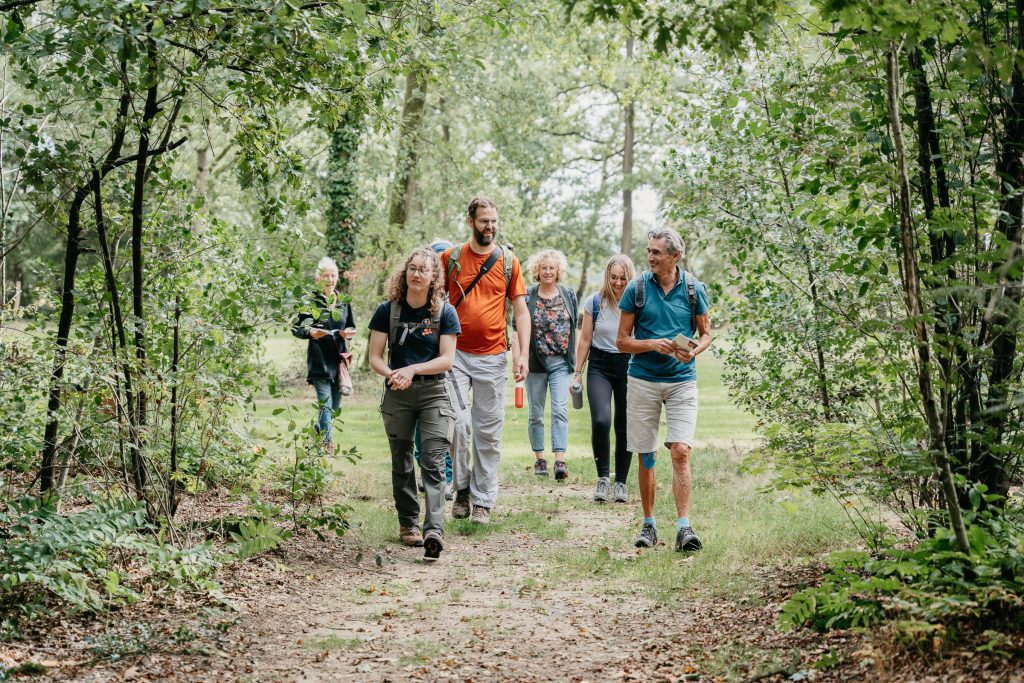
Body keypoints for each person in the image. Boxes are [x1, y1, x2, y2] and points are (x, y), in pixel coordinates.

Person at [616, 228, 711, 552]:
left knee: (681, 450)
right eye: (649, 251)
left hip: (682, 381)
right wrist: (651, 344)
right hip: (643, 380)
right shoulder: (637, 288)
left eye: (656, 252)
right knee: (647, 455)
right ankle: (649, 524)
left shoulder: (694, 289)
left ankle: (684, 528)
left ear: (675, 256)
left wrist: (694, 351)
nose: (650, 257)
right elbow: (622, 341)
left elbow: (706, 333)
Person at [441, 196, 530, 525]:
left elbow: (521, 311)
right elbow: (434, 300)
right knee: (459, 423)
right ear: (471, 222)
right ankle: (462, 487)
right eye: (483, 221)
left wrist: (522, 353)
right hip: (454, 355)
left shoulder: (508, 262)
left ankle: (483, 501)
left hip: (493, 357)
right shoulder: (450, 258)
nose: (490, 227)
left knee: (488, 432)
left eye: (493, 221)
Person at [368, 246, 461, 559]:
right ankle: (408, 523)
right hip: (398, 393)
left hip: (435, 392)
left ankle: (434, 529)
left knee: (433, 461)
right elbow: (375, 357)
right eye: (412, 268)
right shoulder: (387, 310)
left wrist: (413, 370)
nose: (417, 274)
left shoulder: (445, 312)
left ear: (434, 276)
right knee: (402, 459)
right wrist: (394, 374)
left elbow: (447, 359)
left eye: (424, 269)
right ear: (404, 272)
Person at [574, 254, 636, 502]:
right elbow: (585, 340)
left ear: (630, 278)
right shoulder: (595, 302)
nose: (618, 283)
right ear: (607, 277)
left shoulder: (637, 303)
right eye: (614, 277)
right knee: (601, 420)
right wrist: (577, 373)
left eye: (623, 278)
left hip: (628, 365)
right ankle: (602, 478)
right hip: (599, 365)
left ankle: (621, 482)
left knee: (624, 425)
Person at [522, 249, 577, 481]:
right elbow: (517, 328)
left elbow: (575, 328)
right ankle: (540, 459)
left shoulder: (568, 294)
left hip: (561, 363)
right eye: (543, 268)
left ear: (558, 270)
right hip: (535, 363)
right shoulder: (528, 295)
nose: (547, 272)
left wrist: (576, 365)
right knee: (535, 413)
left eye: (551, 268)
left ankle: (560, 461)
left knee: (560, 410)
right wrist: (520, 359)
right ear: (537, 270)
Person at [291, 257, 356, 450]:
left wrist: (349, 333)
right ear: (317, 279)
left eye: (333, 275)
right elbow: (296, 328)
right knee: (325, 404)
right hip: (319, 360)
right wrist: (311, 332)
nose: (330, 279)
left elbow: (351, 325)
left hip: (339, 360)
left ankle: (317, 431)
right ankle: (328, 444)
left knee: (335, 408)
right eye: (326, 275)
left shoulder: (343, 301)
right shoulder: (310, 301)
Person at [414, 238, 456, 500]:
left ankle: (446, 477)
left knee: (444, 424)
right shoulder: (417, 293)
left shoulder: (455, 295)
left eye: (445, 259)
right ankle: (425, 470)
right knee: (420, 427)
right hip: (420, 369)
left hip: (450, 367)